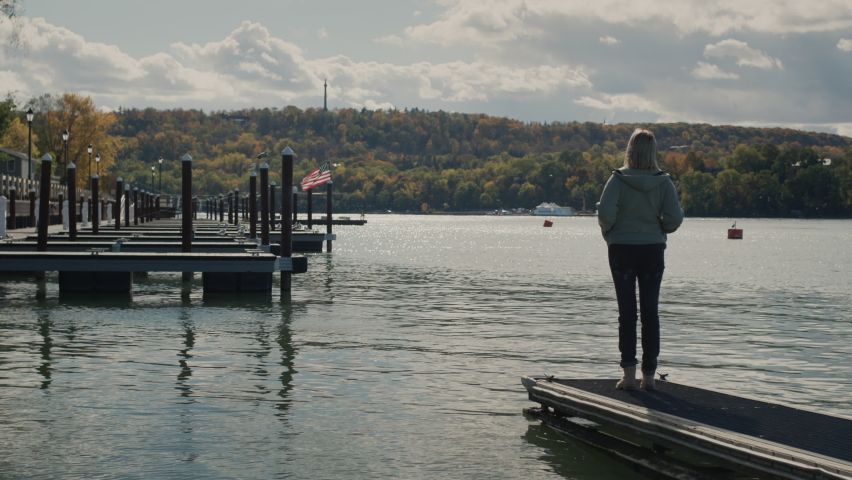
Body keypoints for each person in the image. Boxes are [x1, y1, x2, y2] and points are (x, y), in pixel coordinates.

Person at [597, 129, 684, 392]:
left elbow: (604, 214)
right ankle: (649, 378)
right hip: (652, 250)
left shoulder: (617, 180)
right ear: (654, 151)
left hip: (622, 248)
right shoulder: (664, 182)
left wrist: (611, 232)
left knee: (627, 313)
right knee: (650, 312)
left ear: (630, 150)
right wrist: (658, 228)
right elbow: (674, 219)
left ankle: (629, 376)